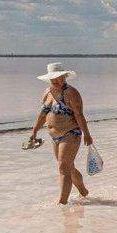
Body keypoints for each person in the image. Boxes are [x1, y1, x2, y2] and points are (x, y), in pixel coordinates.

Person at [27, 62, 92, 204]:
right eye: (53, 79)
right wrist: (34, 132)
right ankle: (83, 190)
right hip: (54, 137)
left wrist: (87, 134)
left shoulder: (71, 93)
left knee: (63, 167)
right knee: (68, 167)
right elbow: (42, 114)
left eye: (59, 78)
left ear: (64, 77)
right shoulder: (47, 93)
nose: (56, 81)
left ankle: (62, 203)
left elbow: (79, 115)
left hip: (71, 134)